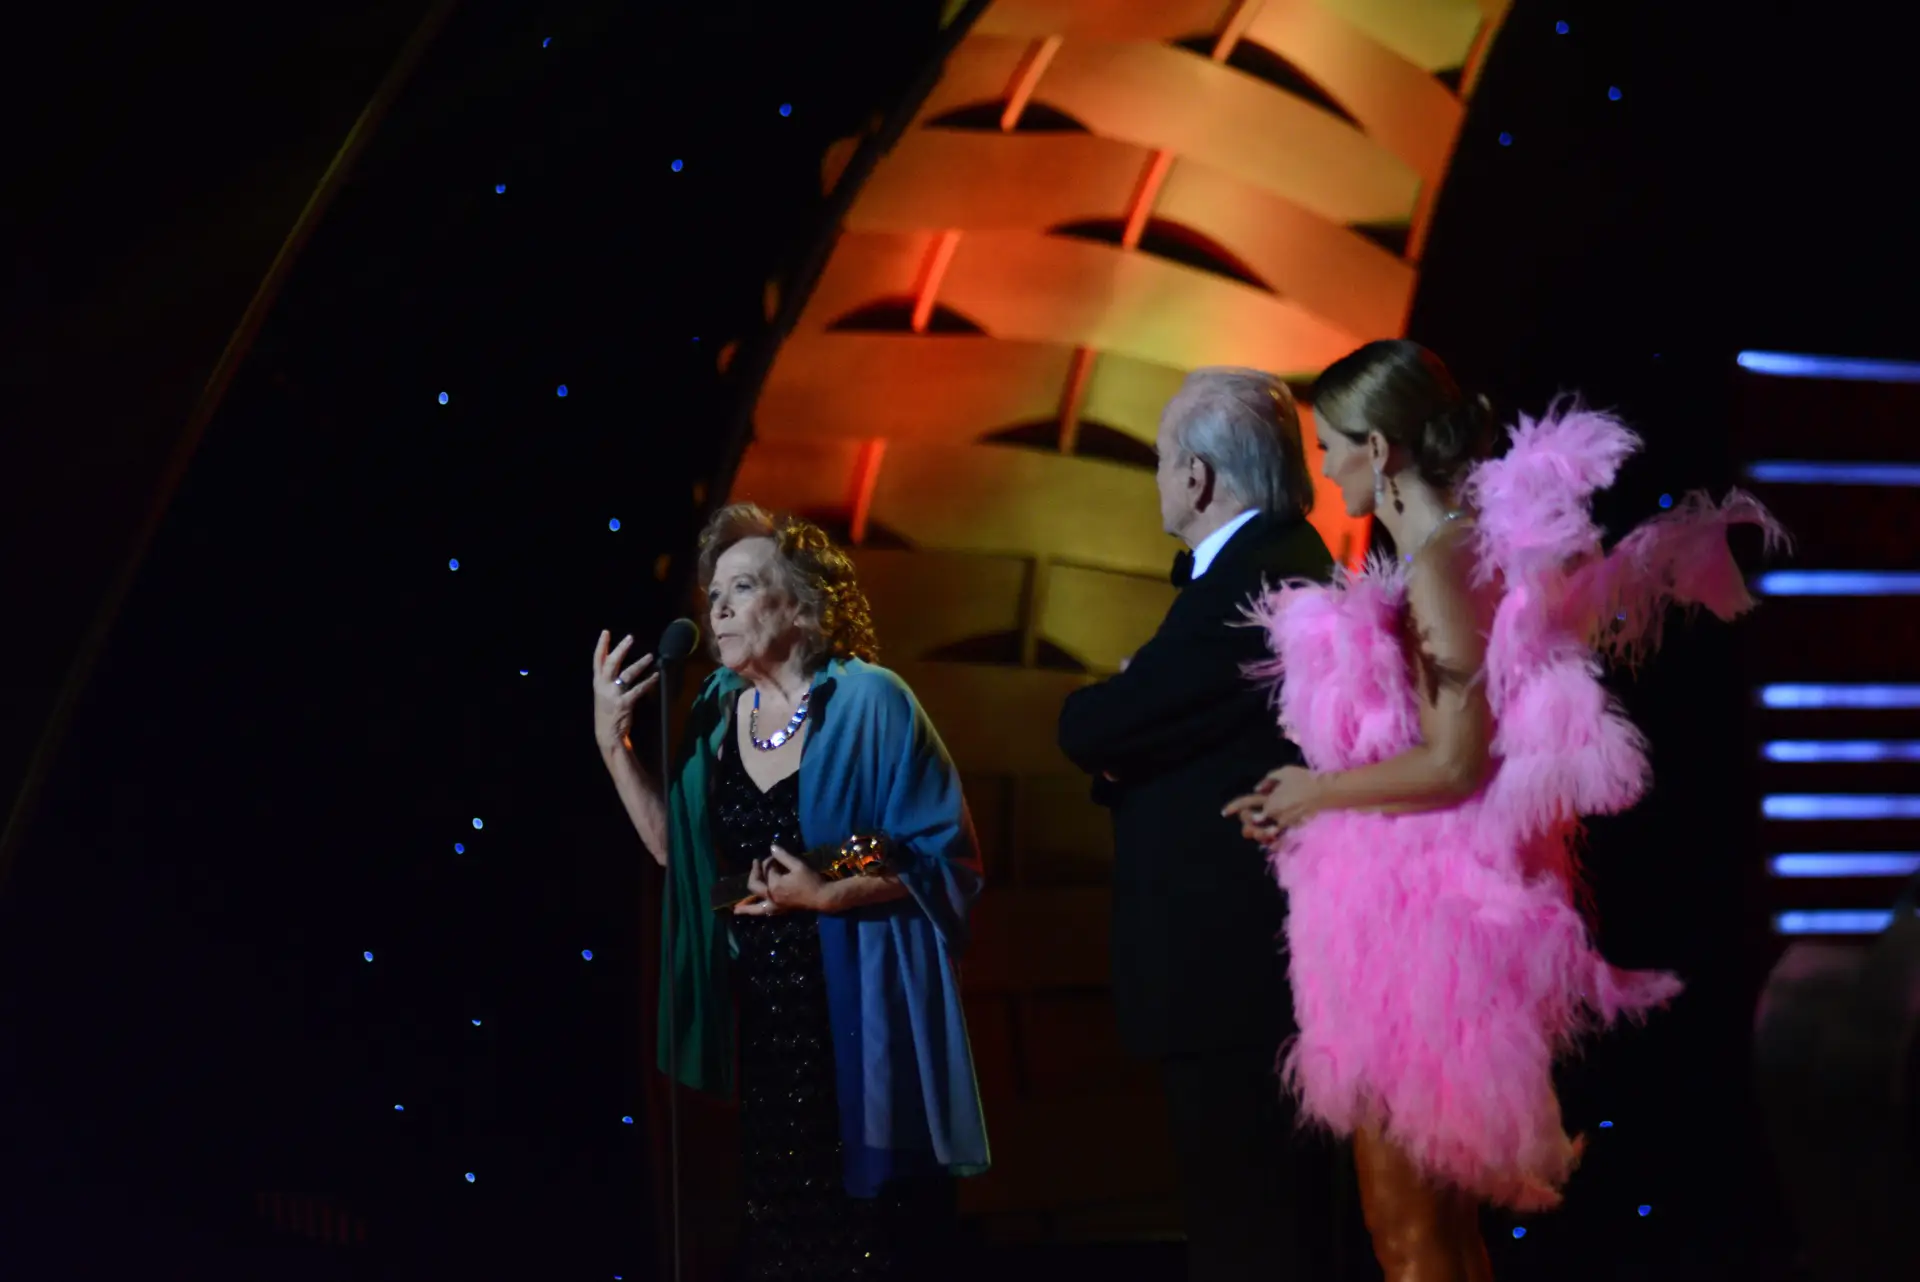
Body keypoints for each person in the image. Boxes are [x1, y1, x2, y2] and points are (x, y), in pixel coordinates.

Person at [1225, 340, 1780, 1281]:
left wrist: (1317, 791)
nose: (1323, 467)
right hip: (1432, 915)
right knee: (1438, 1234)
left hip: (1420, 934)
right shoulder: (1456, 554)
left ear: (1379, 450)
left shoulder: (1442, 565)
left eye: (1330, 446)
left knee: (1407, 1231)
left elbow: (1456, 760)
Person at [591, 504, 990, 1282]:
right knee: (786, 1240)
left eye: (742, 588)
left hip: (862, 1014)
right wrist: (615, 743)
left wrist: (827, 889)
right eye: (713, 594)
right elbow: (683, 858)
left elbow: (942, 851)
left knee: (874, 1239)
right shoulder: (716, 715)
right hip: (769, 1032)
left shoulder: (872, 701)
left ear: (804, 607)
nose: (718, 608)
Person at [1056, 367, 1336, 1281]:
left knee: (1249, 1232)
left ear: (1197, 477)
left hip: (1232, 971)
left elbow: (1096, 726)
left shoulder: (1253, 582)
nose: (1159, 481)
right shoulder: (1281, 562)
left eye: (1159, 461)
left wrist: (1118, 719)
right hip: (1242, 968)